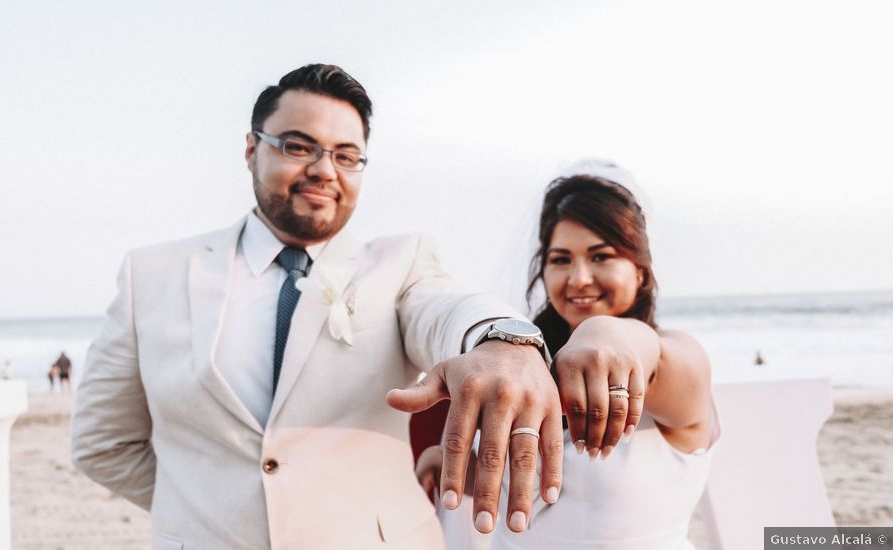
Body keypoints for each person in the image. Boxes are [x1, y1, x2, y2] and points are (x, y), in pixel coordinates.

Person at [70, 64, 562, 549]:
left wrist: (503, 339)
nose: (325, 170)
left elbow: (445, 307)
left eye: (347, 156)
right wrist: (206, 510)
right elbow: (102, 443)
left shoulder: (401, 263)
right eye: (298, 146)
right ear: (251, 149)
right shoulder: (152, 274)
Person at [417, 160, 718, 549]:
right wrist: (457, 466)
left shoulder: (677, 362)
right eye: (561, 260)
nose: (578, 279)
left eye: (601, 256)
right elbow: (540, 488)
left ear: (640, 271)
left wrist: (605, 331)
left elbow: (656, 358)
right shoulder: (524, 370)